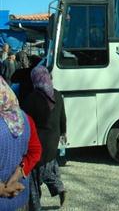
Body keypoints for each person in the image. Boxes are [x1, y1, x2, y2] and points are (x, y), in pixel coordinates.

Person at [23, 66, 67, 210]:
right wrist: (64, 133)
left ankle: (35, 206)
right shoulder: (57, 95)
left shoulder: (32, 98)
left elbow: (25, 123)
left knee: (34, 179)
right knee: (49, 166)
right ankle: (59, 187)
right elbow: (62, 117)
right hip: (53, 140)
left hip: (38, 143)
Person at [0, 76, 42, 210]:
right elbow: (35, 152)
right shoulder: (25, 118)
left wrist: (3, 189)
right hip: (20, 199)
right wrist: (18, 173)